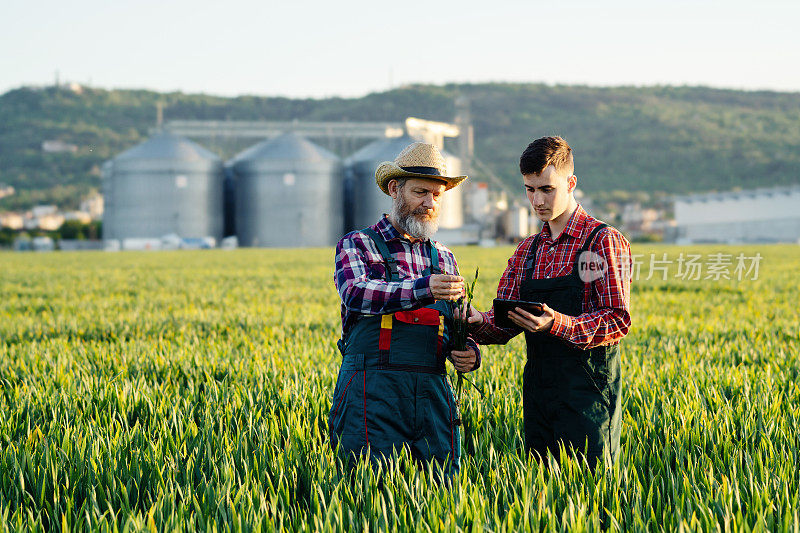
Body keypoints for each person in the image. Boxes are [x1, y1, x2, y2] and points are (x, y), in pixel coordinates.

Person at [466, 136, 632, 468]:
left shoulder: (602, 241)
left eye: (547, 189)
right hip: (539, 393)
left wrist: (555, 323)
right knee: (543, 499)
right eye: (530, 189)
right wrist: (473, 321)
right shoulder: (527, 250)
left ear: (570, 183)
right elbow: (502, 325)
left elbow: (617, 320)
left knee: (591, 496)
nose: (537, 200)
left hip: (589, 394)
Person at [329, 141, 480, 477]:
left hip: (432, 393)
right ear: (395, 189)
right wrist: (422, 288)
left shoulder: (444, 256)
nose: (429, 203)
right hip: (373, 393)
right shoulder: (358, 244)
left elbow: (458, 320)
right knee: (367, 494)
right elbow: (356, 292)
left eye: (437, 195)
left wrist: (467, 349)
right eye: (420, 192)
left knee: (441, 493)